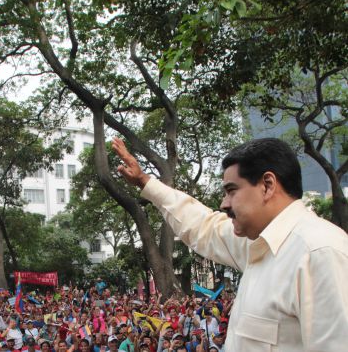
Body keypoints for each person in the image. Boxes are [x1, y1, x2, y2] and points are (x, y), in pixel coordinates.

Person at [112, 137, 348, 351]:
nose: (224, 204)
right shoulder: (254, 244)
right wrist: (145, 182)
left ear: (267, 185)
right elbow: (203, 226)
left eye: (231, 191)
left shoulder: (320, 252)